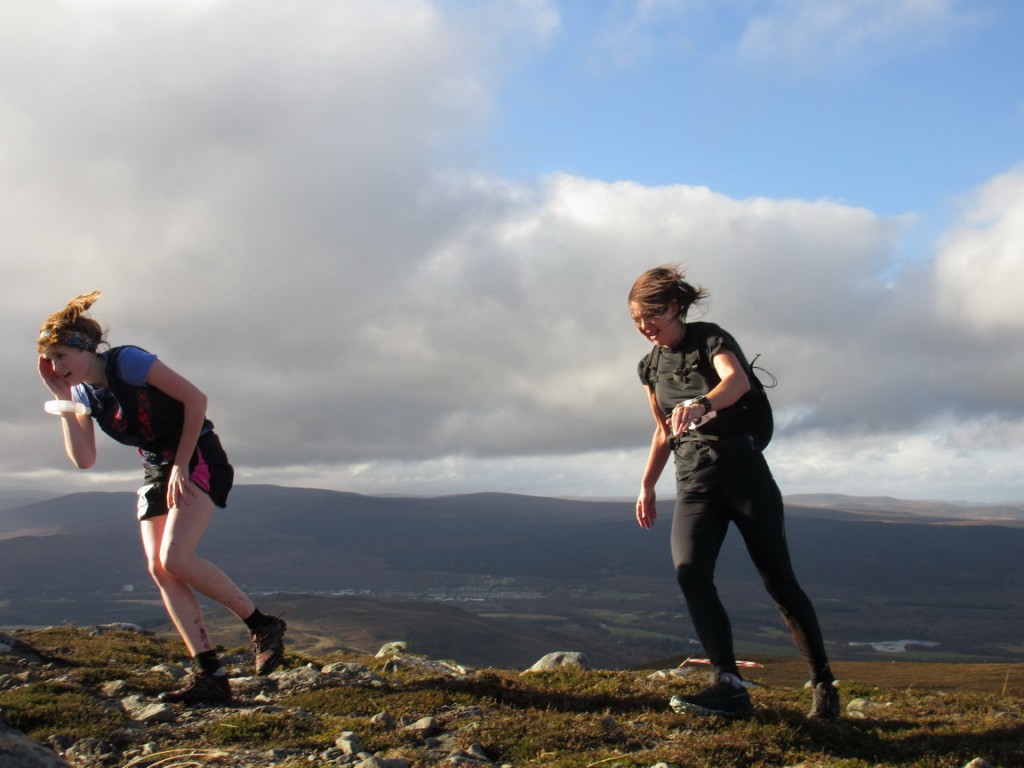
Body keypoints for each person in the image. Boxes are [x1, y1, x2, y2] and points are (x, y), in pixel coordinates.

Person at [36, 291, 287, 706]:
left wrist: (183, 464)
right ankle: (211, 675)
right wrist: (62, 398)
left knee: (176, 557)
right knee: (159, 568)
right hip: (156, 467)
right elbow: (84, 459)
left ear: (86, 348)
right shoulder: (82, 395)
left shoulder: (127, 362)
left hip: (197, 455)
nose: (58, 367)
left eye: (63, 357)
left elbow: (196, 399)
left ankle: (262, 625)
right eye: (52, 361)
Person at [629, 265, 839, 721]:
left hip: (744, 475)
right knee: (691, 574)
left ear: (675, 309)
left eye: (653, 318)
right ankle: (728, 684)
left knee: (778, 579)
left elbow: (737, 382)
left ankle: (823, 682)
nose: (646, 328)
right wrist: (647, 484)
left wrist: (702, 403)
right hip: (694, 483)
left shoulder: (709, 339)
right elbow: (663, 430)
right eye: (638, 321)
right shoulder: (649, 367)